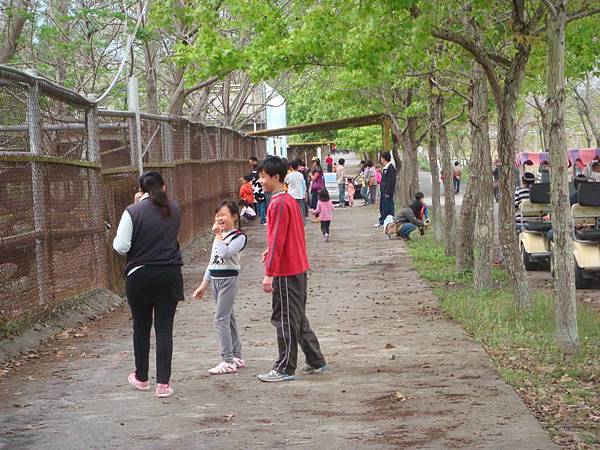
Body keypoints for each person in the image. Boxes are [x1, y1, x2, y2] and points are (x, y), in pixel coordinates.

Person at [113, 171, 183, 398]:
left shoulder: (132, 211)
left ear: (141, 190)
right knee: (164, 329)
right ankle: (163, 384)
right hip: (170, 274)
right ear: (163, 187)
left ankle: (142, 378)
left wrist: (136, 205)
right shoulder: (174, 209)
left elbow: (121, 246)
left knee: (141, 327)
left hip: (140, 276)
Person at [256, 156, 326, 382]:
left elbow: (278, 239)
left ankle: (285, 367)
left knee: (285, 318)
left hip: (286, 271)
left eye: (263, 177)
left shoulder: (278, 203)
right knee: (297, 316)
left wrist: (270, 272)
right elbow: (284, 237)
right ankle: (315, 359)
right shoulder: (289, 201)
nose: (261, 181)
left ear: (275, 177)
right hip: (297, 267)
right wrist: (270, 250)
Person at [193, 200, 247, 375]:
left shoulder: (239, 237)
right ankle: (236, 356)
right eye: (217, 215)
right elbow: (213, 262)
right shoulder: (219, 236)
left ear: (234, 216)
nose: (219, 218)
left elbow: (225, 253)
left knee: (220, 319)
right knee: (228, 318)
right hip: (216, 279)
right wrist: (203, 285)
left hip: (229, 280)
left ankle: (227, 360)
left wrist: (218, 236)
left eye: (223, 215)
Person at [376, 152, 397, 227]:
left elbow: (391, 181)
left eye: (381, 158)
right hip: (383, 190)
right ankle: (382, 221)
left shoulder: (390, 168)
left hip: (387, 192)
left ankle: (390, 222)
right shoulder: (385, 168)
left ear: (384, 158)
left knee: (389, 206)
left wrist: (388, 192)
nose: (380, 159)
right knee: (383, 206)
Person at [248, 156, 267, 224]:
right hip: (257, 189)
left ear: (255, 161)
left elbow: (254, 177)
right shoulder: (255, 168)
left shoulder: (258, 168)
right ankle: (262, 217)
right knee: (260, 203)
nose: (250, 163)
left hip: (259, 189)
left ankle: (263, 219)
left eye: (251, 162)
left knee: (262, 203)